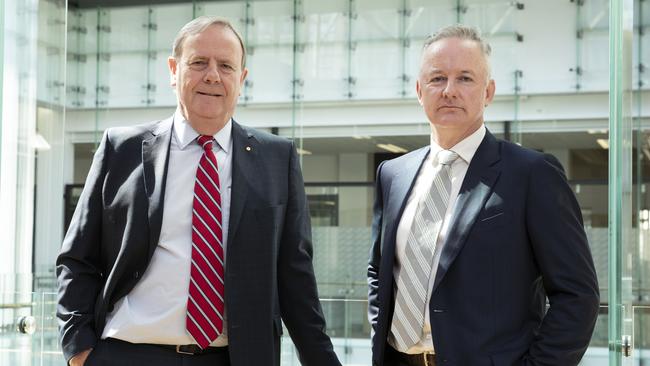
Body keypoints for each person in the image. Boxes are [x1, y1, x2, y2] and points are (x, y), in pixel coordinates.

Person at [57, 16, 341, 366]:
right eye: (198, 63)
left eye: (225, 66)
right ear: (173, 70)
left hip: (233, 358)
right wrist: (79, 349)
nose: (212, 75)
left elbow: (295, 277)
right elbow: (77, 259)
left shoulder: (276, 158)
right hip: (127, 352)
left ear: (242, 79)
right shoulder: (122, 148)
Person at [367, 25, 599, 366]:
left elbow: (577, 296)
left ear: (488, 92)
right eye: (437, 79)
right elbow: (379, 272)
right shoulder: (393, 174)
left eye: (464, 78)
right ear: (419, 90)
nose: (449, 91)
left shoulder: (532, 174)